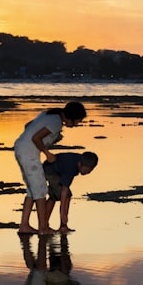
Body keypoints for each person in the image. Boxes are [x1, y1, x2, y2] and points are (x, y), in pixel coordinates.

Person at [14, 101, 86, 235]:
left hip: (22, 148)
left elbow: (28, 126)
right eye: (77, 121)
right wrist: (47, 153)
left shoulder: (49, 115)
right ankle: (43, 228)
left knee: (32, 189)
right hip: (28, 153)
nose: (76, 124)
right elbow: (36, 138)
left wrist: (34, 141)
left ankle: (24, 225)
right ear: (72, 117)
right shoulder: (56, 121)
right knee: (41, 190)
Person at [43, 151, 98, 233]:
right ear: (79, 164)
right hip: (50, 170)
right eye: (84, 170)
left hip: (58, 170)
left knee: (54, 196)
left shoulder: (82, 161)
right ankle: (61, 225)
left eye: (88, 171)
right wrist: (63, 214)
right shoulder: (71, 168)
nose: (85, 173)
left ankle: (46, 224)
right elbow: (64, 191)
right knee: (66, 195)